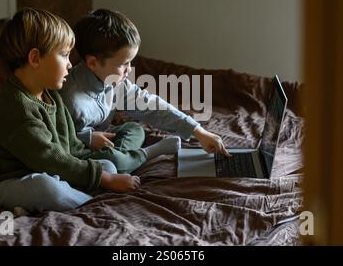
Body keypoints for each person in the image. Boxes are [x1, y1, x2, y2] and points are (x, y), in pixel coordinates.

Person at [0, 8, 141, 214]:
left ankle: (43, 205)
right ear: (35, 58)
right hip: (2, 183)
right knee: (46, 188)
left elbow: (71, 147)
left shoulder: (51, 96)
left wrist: (103, 168)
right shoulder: (15, 107)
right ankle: (93, 205)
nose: (70, 64)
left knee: (107, 166)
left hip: (39, 169)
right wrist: (107, 180)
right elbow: (49, 158)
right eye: (64, 55)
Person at [59, 9, 230, 175]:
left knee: (135, 129)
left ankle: (123, 159)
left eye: (130, 62)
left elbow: (151, 106)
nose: (129, 70)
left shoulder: (117, 84)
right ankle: (145, 154)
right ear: (93, 62)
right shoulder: (69, 97)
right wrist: (87, 139)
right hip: (79, 153)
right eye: (122, 64)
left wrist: (198, 131)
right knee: (112, 162)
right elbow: (56, 139)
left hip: (104, 143)